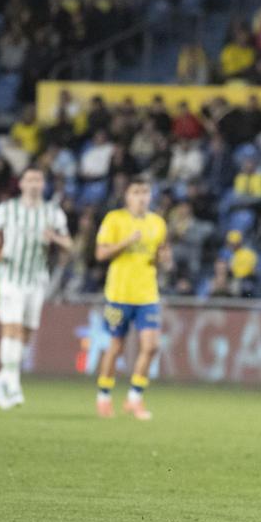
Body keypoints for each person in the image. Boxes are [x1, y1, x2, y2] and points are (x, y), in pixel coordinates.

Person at [0, 167, 72, 409]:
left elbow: (69, 244)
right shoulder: (8, 209)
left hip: (37, 279)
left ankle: (4, 376)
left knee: (26, 333)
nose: (34, 184)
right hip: (11, 275)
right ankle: (12, 383)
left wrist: (54, 238)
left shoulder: (52, 212)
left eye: (38, 180)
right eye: (30, 179)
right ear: (21, 184)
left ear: (43, 185)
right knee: (11, 328)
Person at [93, 178, 171, 420]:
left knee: (151, 346)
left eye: (145, 192)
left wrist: (164, 259)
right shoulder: (114, 219)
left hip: (147, 295)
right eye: (136, 192)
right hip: (118, 295)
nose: (141, 197)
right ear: (127, 196)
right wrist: (126, 242)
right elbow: (100, 253)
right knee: (115, 347)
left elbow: (160, 258)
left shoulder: (157, 223)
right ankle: (104, 397)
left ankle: (134, 398)